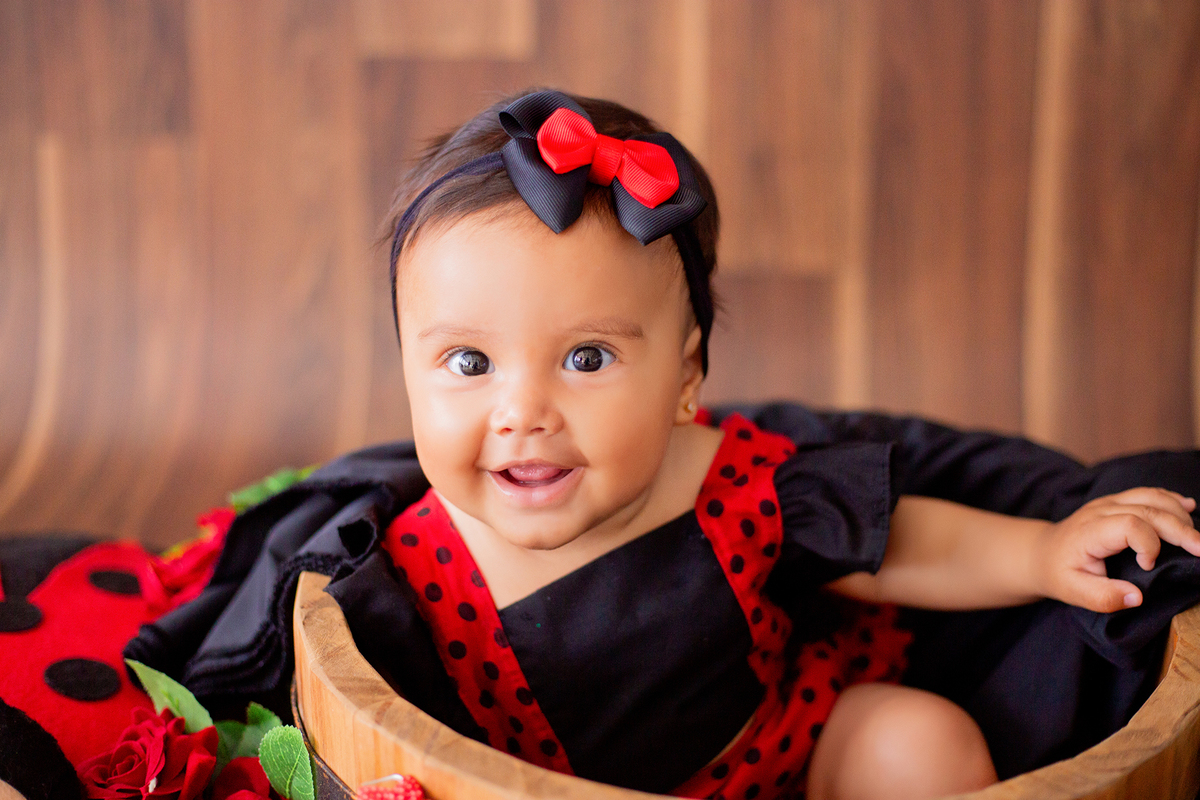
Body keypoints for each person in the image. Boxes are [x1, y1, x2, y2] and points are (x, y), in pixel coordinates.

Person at [345, 88, 1200, 800]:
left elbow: (898, 541)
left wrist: (1045, 553)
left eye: (586, 357)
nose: (522, 411)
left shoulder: (735, 483)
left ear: (685, 380)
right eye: (469, 361)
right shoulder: (405, 568)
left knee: (917, 741)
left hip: (788, 763)